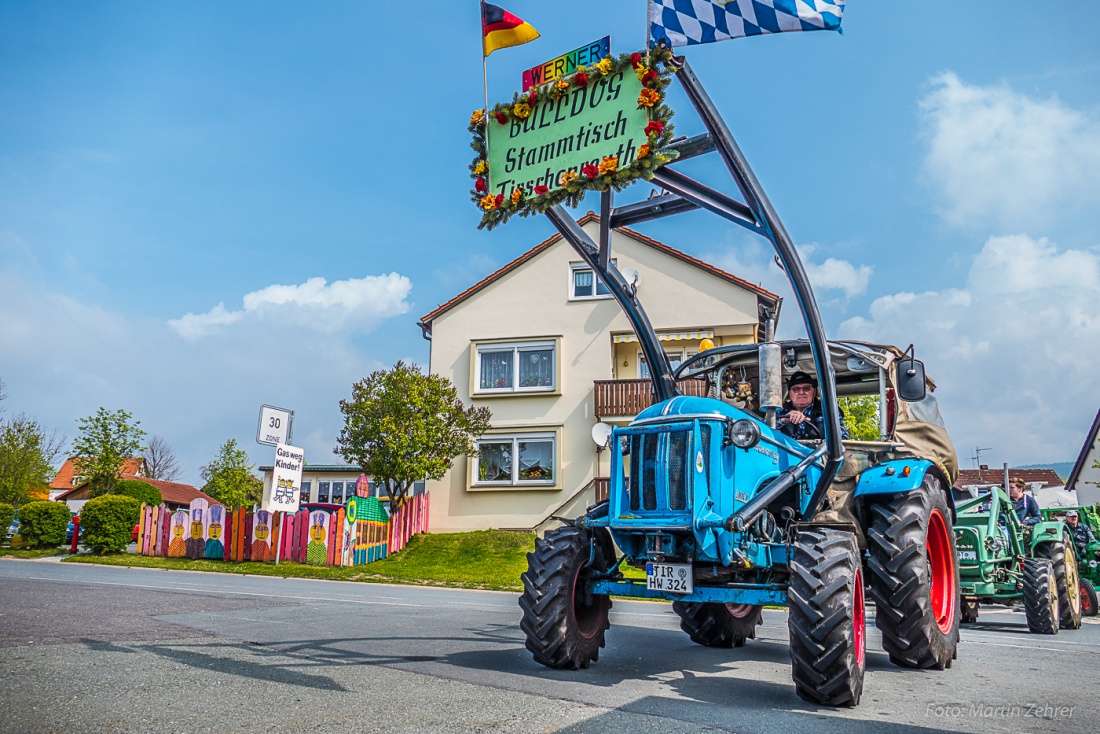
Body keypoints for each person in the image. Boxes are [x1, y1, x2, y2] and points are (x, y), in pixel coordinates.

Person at [777, 371, 849, 440]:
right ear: (790, 393)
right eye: (796, 389)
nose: (801, 392)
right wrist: (783, 420)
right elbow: (766, 431)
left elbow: (842, 438)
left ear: (814, 392)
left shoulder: (829, 410)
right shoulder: (779, 410)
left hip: (820, 452)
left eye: (806, 388)